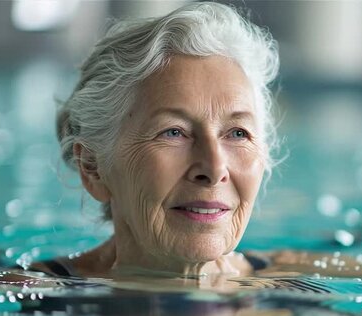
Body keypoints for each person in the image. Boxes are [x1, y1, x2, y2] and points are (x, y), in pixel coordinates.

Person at [37, 2, 280, 277]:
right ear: (93, 168)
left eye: (238, 133)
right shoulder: (22, 298)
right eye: (174, 132)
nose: (214, 169)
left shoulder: (297, 283)